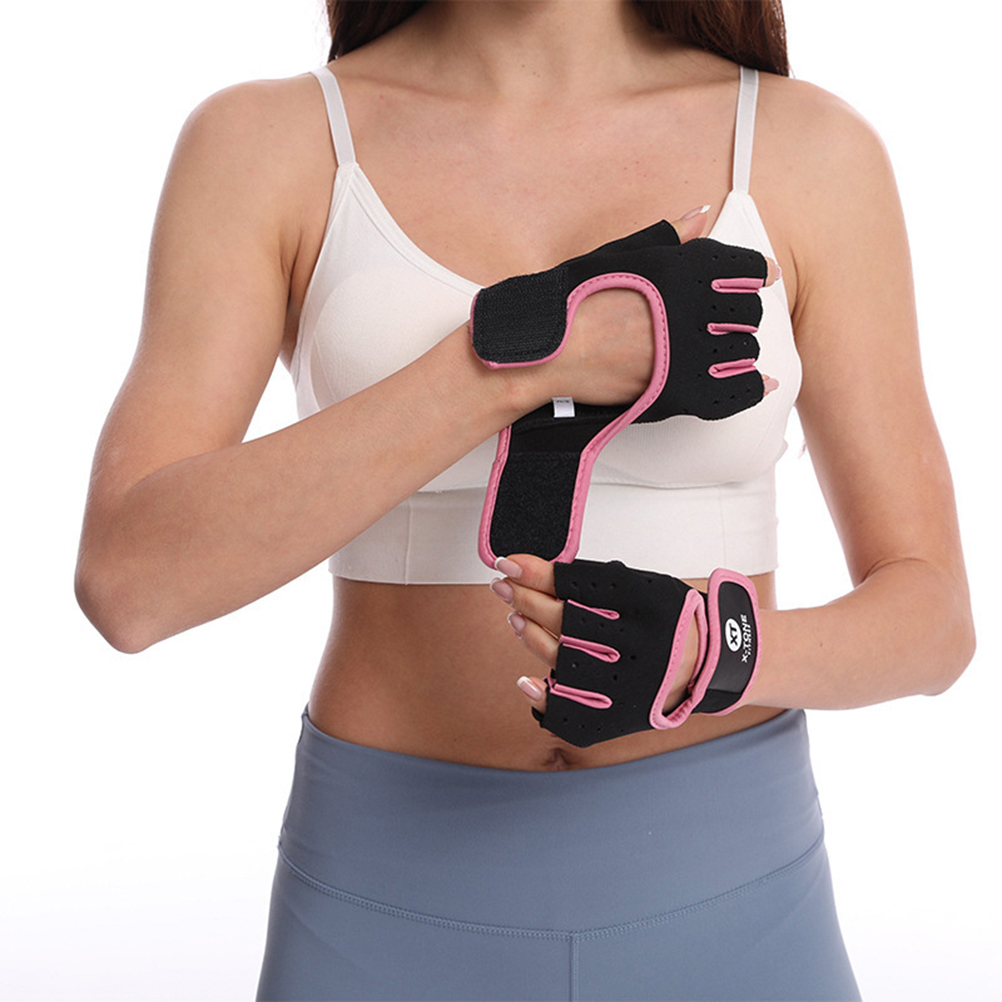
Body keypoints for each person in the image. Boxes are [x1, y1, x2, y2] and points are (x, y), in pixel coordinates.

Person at [74, 1, 975, 999]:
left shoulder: (808, 149)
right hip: (384, 894)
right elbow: (131, 583)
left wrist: (711, 652)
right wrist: (528, 355)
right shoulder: (271, 145)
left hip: (731, 882)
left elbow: (934, 618)